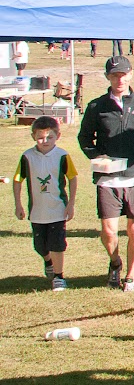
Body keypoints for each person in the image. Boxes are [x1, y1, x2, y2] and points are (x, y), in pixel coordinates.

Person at [79, 55, 134, 292]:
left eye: (123, 75)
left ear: (131, 75)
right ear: (107, 77)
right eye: (115, 75)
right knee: (108, 231)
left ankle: (130, 276)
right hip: (108, 178)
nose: (120, 80)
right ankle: (115, 262)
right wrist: (97, 157)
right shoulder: (96, 106)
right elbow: (84, 138)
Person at [13, 116, 78, 292]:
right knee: (40, 246)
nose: (45, 141)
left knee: (57, 244)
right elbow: (18, 180)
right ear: (33, 136)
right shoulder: (27, 156)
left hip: (57, 209)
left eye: (50, 137)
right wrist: (18, 204)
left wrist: (71, 204)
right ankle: (48, 261)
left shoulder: (62, 155)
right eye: (40, 137)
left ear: (58, 136)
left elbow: (72, 178)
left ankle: (59, 276)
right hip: (37, 211)